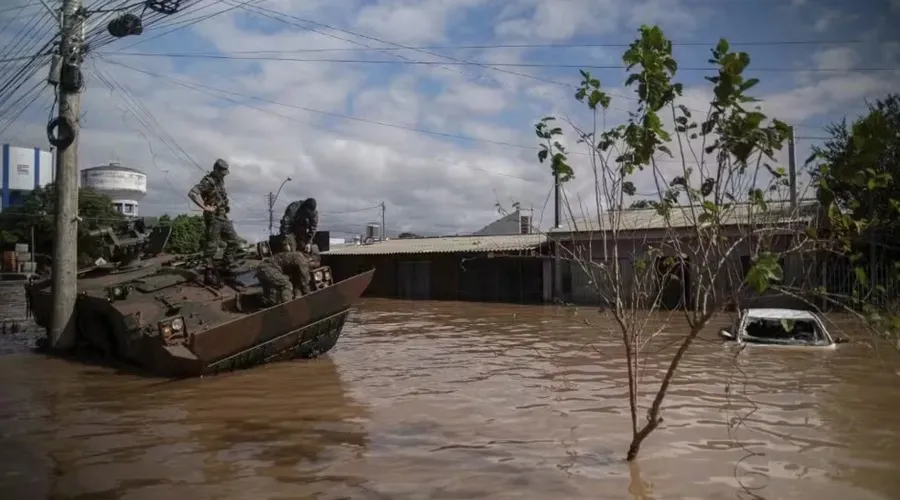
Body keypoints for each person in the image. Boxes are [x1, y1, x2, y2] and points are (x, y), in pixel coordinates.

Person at [187, 159, 241, 271]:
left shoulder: (220, 181)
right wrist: (205, 207)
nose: (224, 175)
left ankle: (227, 263)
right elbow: (192, 193)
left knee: (234, 241)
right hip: (213, 218)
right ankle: (209, 270)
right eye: (222, 172)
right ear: (216, 169)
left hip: (222, 216)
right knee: (212, 246)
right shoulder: (207, 181)